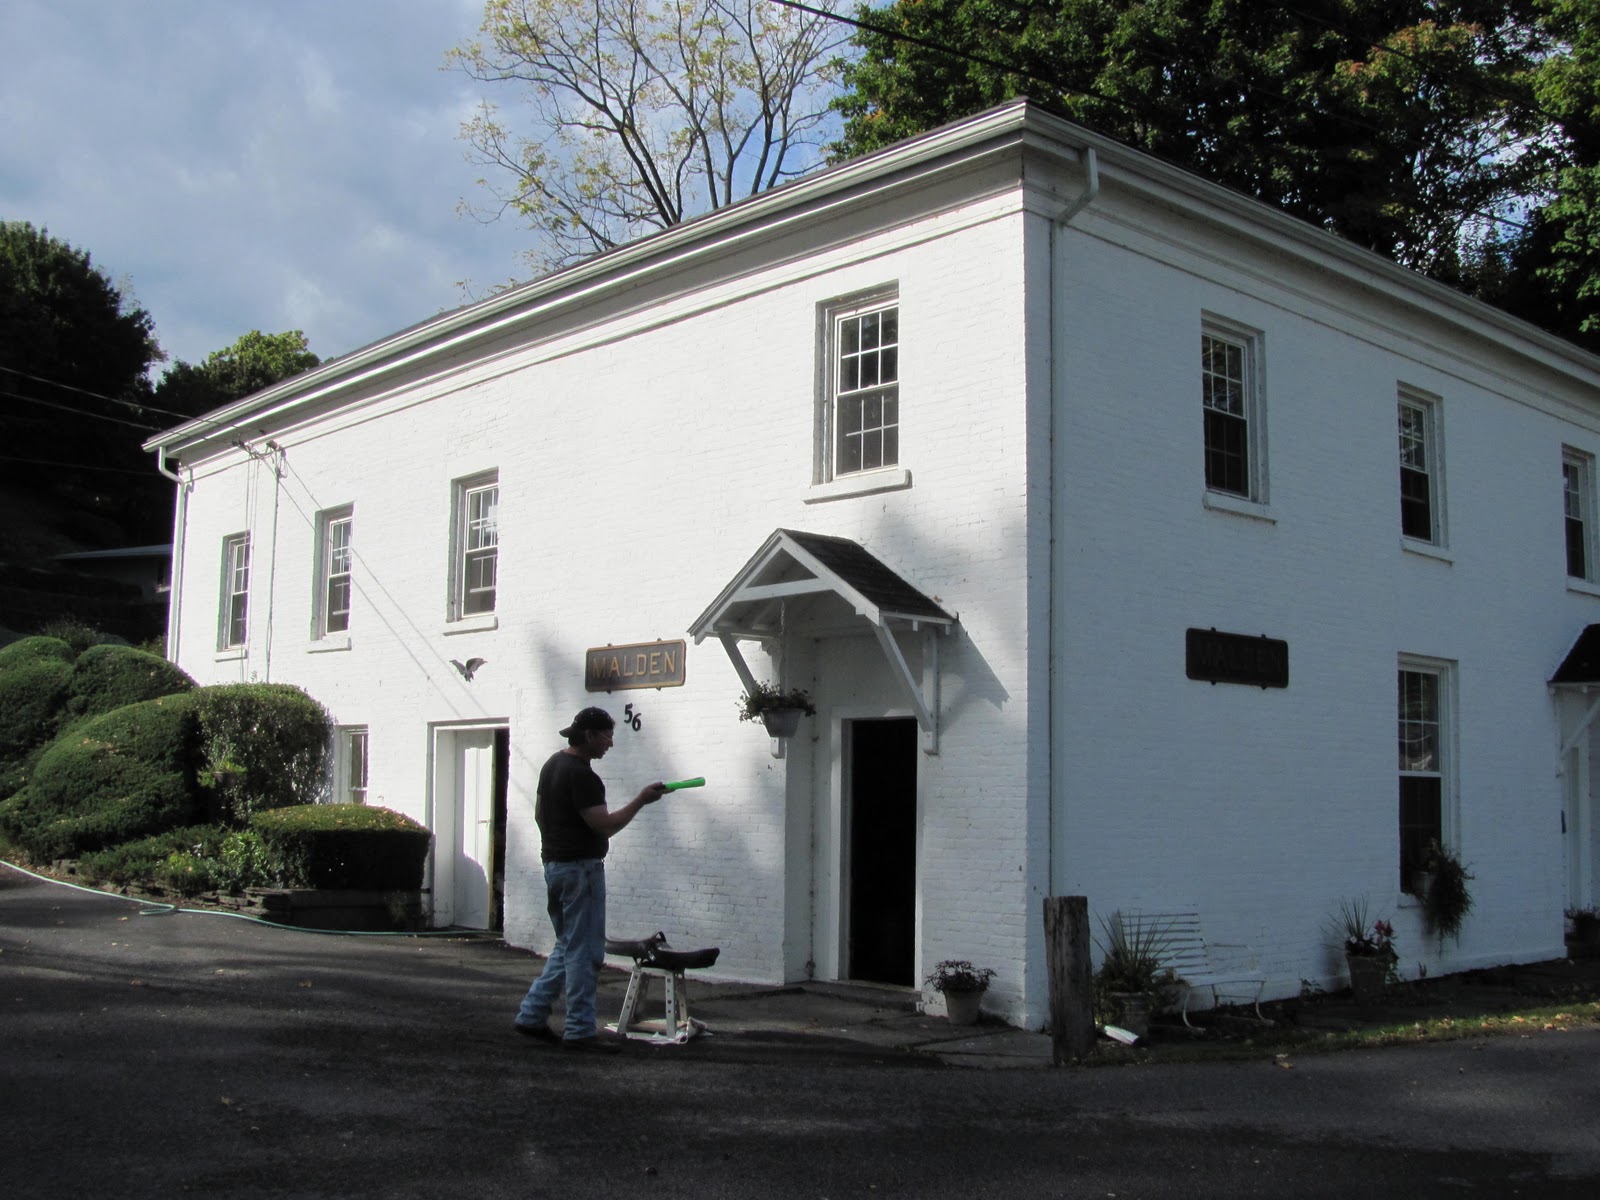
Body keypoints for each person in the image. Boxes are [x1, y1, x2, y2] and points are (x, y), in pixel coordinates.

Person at [514, 706, 667, 1052]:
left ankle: (531, 1014)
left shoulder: (552, 765)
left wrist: (557, 845)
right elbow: (605, 824)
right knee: (585, 953)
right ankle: (580, 1030)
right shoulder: (582, 775)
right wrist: (641, 800)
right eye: (607, 735)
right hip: (581, 870)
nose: (611, 743)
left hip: (555, 866)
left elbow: (540, 815)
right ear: (589, 735)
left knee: (568, 945)